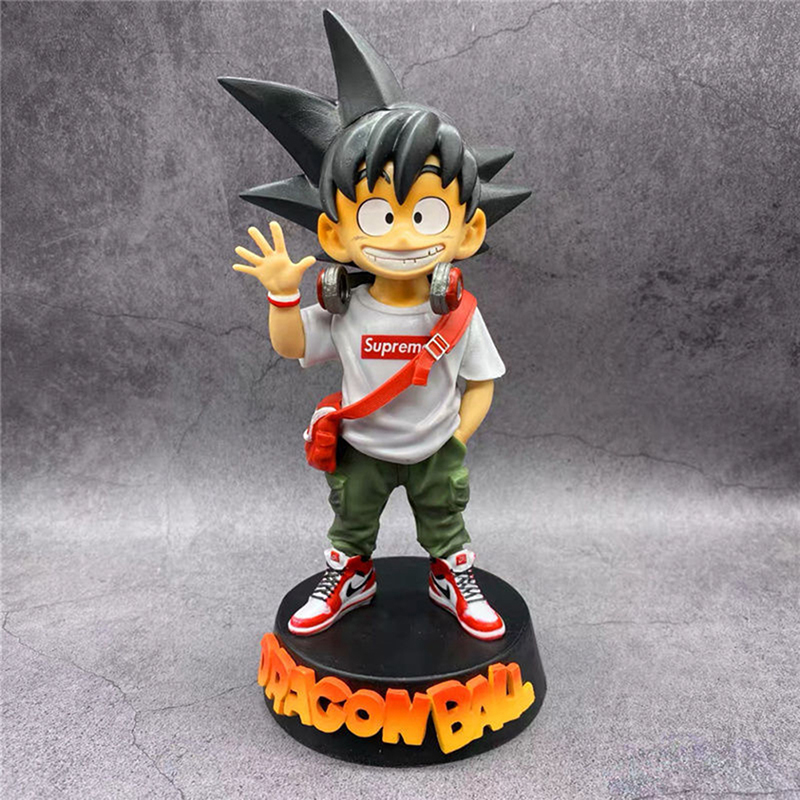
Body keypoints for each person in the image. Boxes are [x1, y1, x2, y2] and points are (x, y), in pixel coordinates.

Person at [220, 10, 530, 641]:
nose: (406, 235)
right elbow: (292, 345)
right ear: (335, 233)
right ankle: (350, 577)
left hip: (433, 451)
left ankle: (450, 577)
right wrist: (282, 296)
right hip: (362, 449)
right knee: (350, 527)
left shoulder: (456, 313)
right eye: (380, 217)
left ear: (469, 229)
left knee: (446, 527)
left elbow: (481, 383)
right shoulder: (348, 306)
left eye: (428, 212)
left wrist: (455, 439)